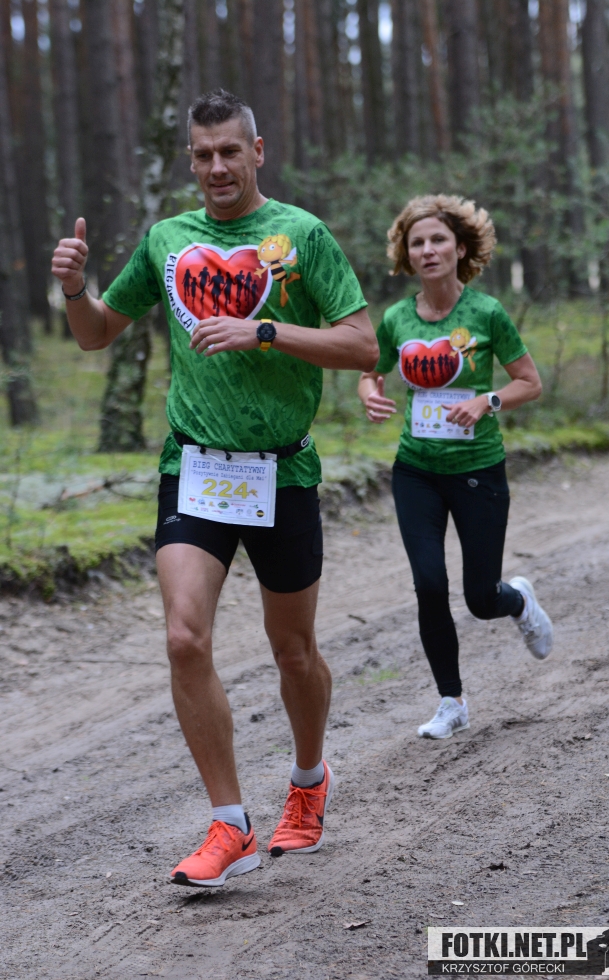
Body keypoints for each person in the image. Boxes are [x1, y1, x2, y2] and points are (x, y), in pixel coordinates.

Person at [51, 90, 378, 888]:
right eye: (202, 155)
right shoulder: (168, 239)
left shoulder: (301, 236)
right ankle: (229, 823)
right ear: (190, 160)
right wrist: (74, 289)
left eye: (230, 151)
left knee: (292, 651)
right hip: (194, 469)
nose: (216, 167)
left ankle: (307, 781)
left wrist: (262, 330)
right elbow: (97, 334)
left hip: (281, 470)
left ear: (257, 151)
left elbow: (362, 344)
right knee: (183, 638)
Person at [358, 195, 553, 741]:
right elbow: (370, 373)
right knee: (428, 584)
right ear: (407, 254)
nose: (428, 250)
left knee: (480, 599)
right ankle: (452, 702)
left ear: (460, 249)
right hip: (415, 470)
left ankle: (519, 601)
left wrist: (486, 401)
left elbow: (530, 383)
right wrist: (370, 394)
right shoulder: (397, 318)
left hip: (478, 470)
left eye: (438, 240)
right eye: (417, 242)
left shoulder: (487, 313)